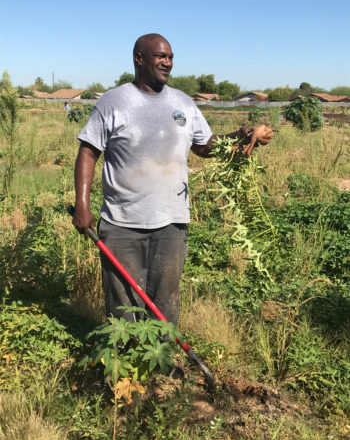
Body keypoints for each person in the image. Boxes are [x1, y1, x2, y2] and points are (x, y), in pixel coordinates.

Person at [73, 33, 273, 325]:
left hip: (172, 222)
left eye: (170, 58)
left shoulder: (183, 102)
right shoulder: (114, 101)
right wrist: (82, 204)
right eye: (160, 57)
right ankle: (125, 366)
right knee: (123, 304)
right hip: (122, 222)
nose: (167, 63)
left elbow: (205, 146)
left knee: (165, 300)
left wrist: (242, 136)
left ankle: (163, 364)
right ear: (138, 59)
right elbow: (88, 152)